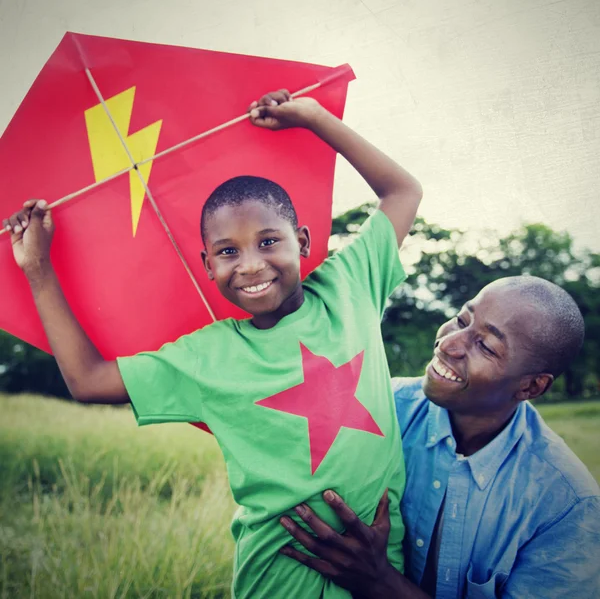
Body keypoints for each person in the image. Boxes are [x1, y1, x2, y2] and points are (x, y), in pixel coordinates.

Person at [3, 89, 422, 598]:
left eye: (269, 241)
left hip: (383, 574)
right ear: (208, 267)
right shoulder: (207, 356)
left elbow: (402, 193)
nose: (250, 264)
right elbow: (89, 380)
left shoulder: (349, 284)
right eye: (228, 251)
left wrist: (313, 118)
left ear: (304, 243)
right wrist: (39, 268)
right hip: (277, 581)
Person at [279, 276, 600, 598]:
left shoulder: (567, 505)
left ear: (531, 387)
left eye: (486, 346)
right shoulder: (375, 408)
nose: (447, 344)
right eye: (461, 319)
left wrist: (379, 581)